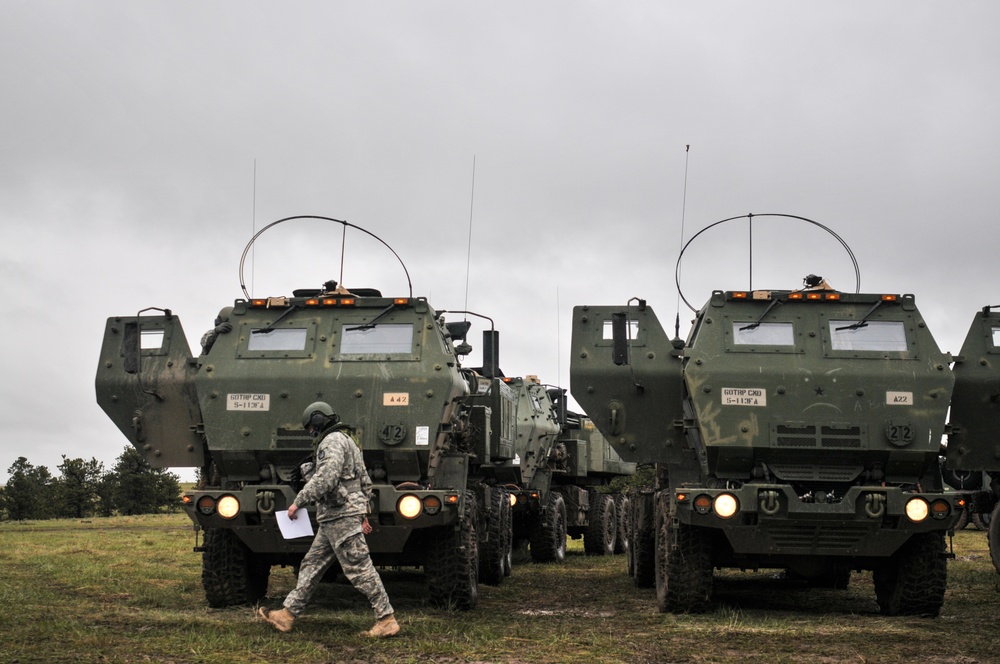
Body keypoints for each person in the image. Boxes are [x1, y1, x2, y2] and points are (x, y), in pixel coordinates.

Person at [258, 402, 399, 638]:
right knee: (311, 565)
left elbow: (326, 479)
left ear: (317, 420)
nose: (310, 433)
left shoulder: (332, 441)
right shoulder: (348, 439)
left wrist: (297, 502)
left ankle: (386, 619)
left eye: (310, 428)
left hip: (341, 515)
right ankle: (287, 614)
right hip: (336, 515)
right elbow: (364, 481)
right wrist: (362, 511)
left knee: (359, 568)